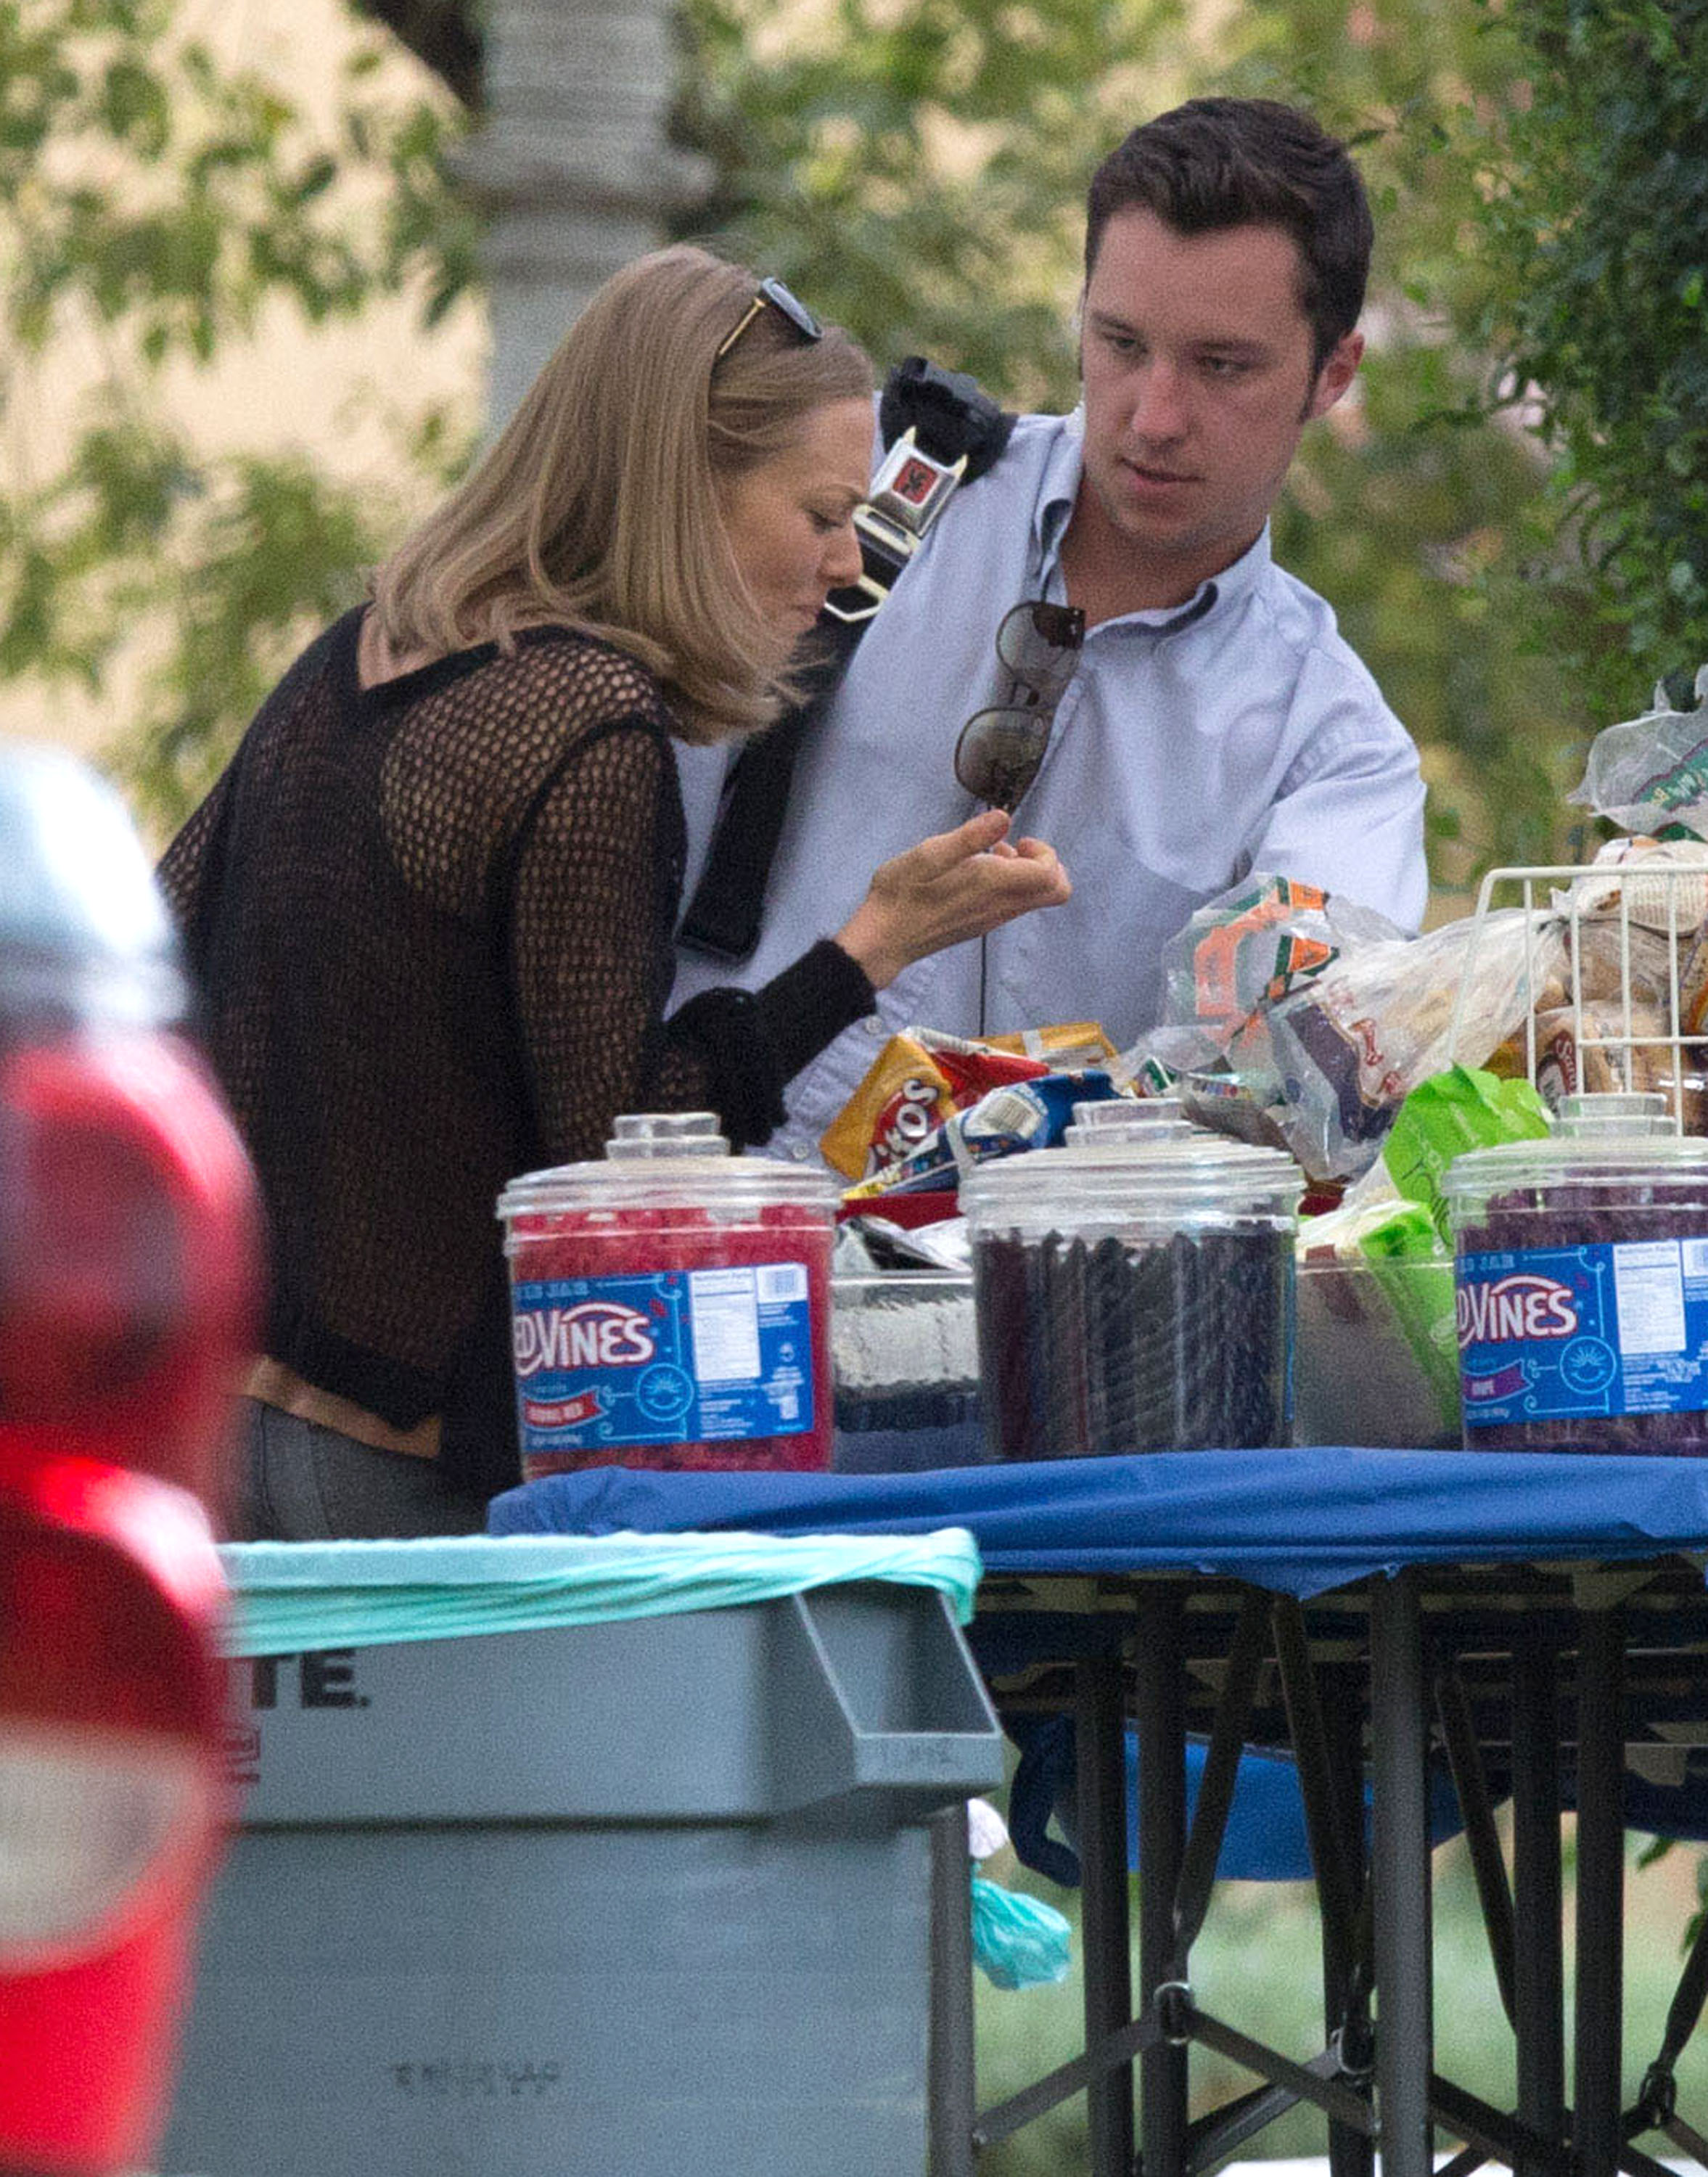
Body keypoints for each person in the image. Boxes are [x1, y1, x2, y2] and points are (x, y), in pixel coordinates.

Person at [156, 245, 1070, 1540]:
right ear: (683, 488)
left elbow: (160, 948)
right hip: (405, 1467)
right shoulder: (587, 716)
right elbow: (622, 1150)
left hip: (224, 1427)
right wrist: (868, 949)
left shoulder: (364, 650)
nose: (843, 567)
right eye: (822, 516)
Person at [671, 97, 1429, 1168]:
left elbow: (1307, 1089)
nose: (1153, 416)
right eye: (1120, 344)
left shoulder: (1331, 747)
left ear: (1333, 375)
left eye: (1222, 366)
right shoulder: (870, 497)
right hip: (723, 1215)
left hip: (1066, 1255)